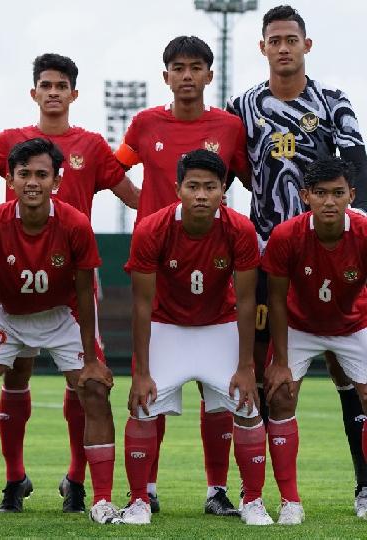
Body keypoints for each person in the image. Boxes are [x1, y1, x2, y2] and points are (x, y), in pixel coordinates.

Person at [0, 52, 139, 514]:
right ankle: (14, 479)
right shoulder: (11, 141)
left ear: (74, 93)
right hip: (15, 280)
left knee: (84, 382)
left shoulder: (90, 145)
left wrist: (175, 210)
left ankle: (75, 478)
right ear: (34, 92)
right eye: (45, 85)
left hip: (73, 286)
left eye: (61, 85)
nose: (53, 92)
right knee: (17, 375)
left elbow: (129, 194)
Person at [227, 4, 367, 511]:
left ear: (307, 46)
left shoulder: (333, 102)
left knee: (348, 371)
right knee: (271, 375)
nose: (283, 47)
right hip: (269, 256)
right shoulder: (242, 106)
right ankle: (262, 496)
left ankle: (365, 487)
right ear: (262, 48)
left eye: (292, 39)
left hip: (332, 252)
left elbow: (356, 170)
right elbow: (232, 170)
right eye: (275, 40)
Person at [0, 138, 119, 525]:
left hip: (62, 317)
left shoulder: (75, 223)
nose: (33, 182)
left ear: (57, 180)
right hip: (7, 316)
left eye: (42, 174)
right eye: (24, 174)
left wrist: (91, 359)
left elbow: (84, 291)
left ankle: (103, 501)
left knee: (93, 389)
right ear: (10, 179)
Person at [113, 35, 250, 515]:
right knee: (155, 386)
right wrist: (142, 205)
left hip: (212, 259)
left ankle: (217, 489)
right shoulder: (145, 122)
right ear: (165, 75)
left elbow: (248, 176)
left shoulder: (230, 128)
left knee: (220, 395)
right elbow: (113, 170)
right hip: (156, 259)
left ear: (209, 76)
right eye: (178, 67)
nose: (187, 75)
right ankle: (144, 488)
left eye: (196, 67)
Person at [123, 150, 270, 526]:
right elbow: (140, 304)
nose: (201, 195)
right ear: (178, 190)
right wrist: (140, 370)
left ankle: (252, 499)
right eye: (193, 186)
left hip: (219, 325)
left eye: (210, 186)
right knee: (142, 407)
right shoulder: (151, 229)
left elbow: (247, 300)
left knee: (248, 406)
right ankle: (139, 500)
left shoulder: (239, 229)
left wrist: (245, 365)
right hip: (166, 325)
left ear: (224, 189)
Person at [263, 157, 367, 523]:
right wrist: (279, 361)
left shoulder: (365, 231)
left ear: (350, 195)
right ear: (305, 196)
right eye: (320, 194)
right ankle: (290, 501)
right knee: (279, 397)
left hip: (354, 322)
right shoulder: (286, 236)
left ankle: (366, 492)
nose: (329, 202)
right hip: (300, 325)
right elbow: (275, 298)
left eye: (338, 194)